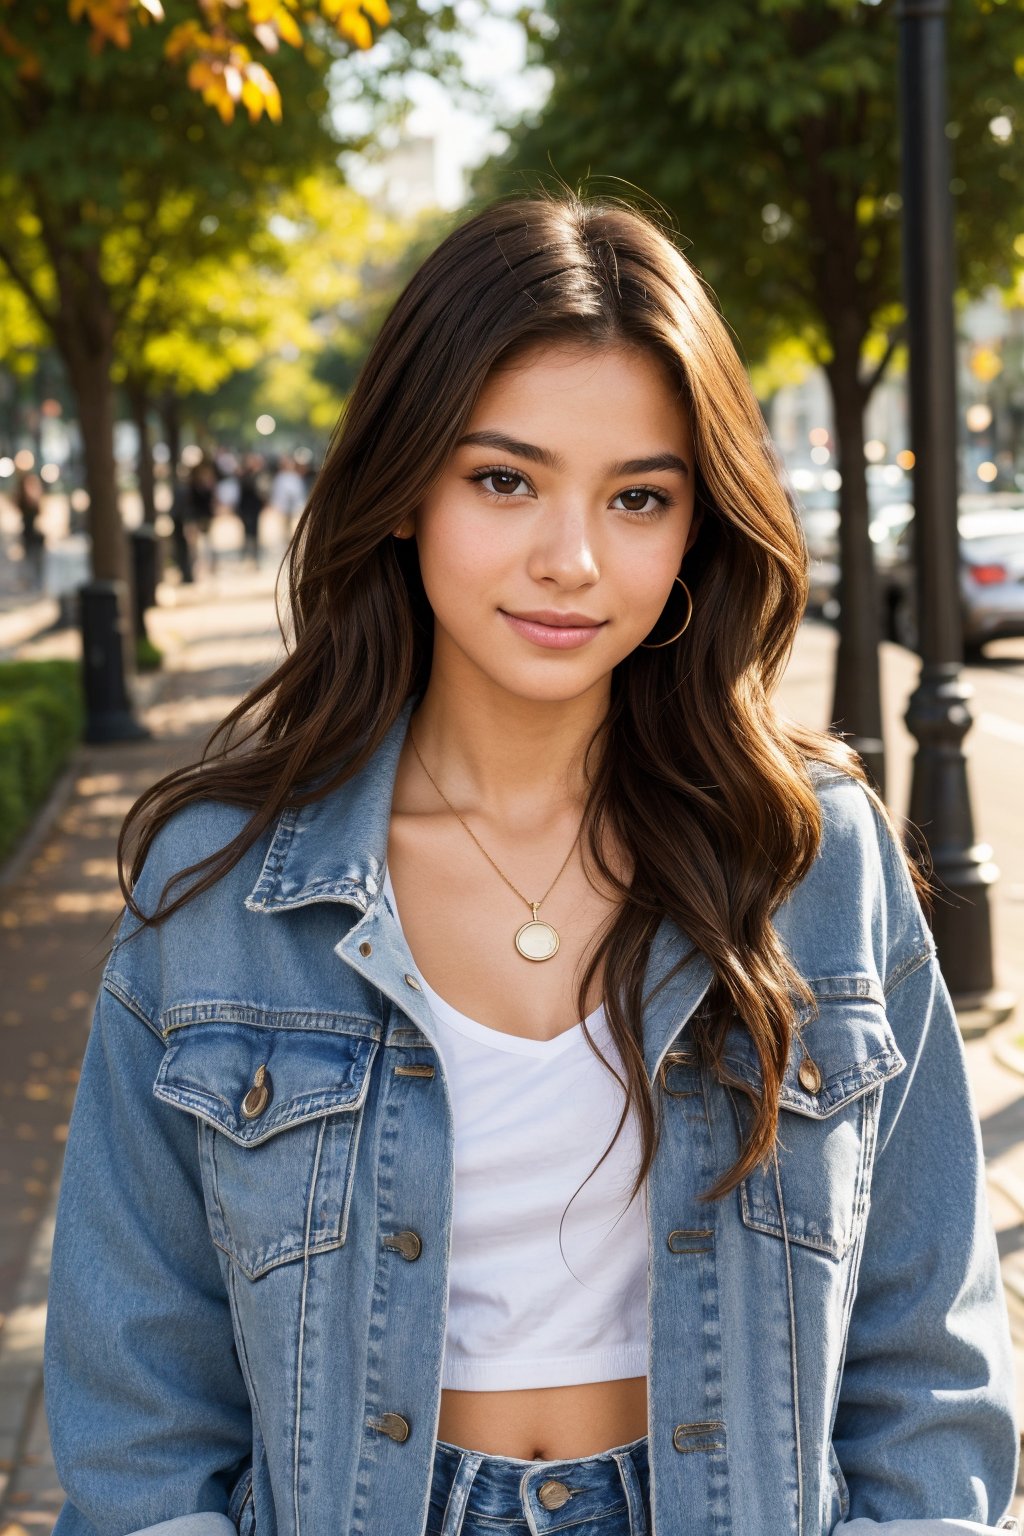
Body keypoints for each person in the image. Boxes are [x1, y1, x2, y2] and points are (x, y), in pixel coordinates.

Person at [43, 191, 1019, 1536]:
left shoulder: (809, 856)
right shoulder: (219, 890)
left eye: (637, 498)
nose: (570, 560)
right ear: (403, 493)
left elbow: (929, 1363)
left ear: (695, 531)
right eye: (504, 480)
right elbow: (138, 1413)